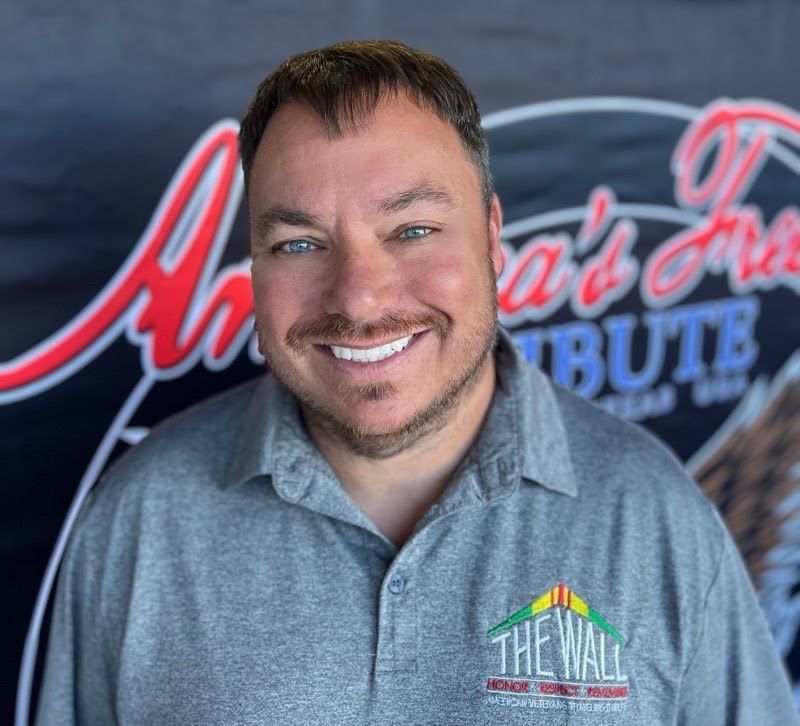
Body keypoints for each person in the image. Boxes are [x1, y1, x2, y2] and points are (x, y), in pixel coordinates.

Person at [36, 40, 798, 725]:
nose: (360, 298)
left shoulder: (653, 517)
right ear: (254, 267)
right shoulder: (141, 520)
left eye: (412, 230)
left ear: (493, 237)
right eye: (299, 242)